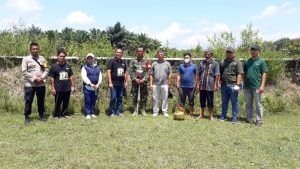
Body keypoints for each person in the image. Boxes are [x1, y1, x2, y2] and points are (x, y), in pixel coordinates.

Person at [21, 42, 47, 124]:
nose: (35, 50)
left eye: (37, 49)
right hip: (30, 84)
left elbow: (46, 70)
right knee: (28, 100)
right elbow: (24, 72)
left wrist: (41, 78)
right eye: (33, 49)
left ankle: (41, 115)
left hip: (41, 84)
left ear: (38, 49)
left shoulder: (42, 59)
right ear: (30, 49)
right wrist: (35, 78)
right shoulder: (26, 59)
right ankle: (27, 116)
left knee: (41, 100)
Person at [243, 45, 268, 127]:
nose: (253, 51)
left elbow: (264, 74)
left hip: (257, 86)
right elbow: (244, 73)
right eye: (251, 50)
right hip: (247, 86)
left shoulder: (261, 61)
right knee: (248, 104)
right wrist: (243, 82)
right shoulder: (247, 61)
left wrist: (262, 85)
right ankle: (249, 118)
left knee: (258, 104)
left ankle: (259, 121)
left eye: (254, 50)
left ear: (258, 51)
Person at [49, 48, 75, 119]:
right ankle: (56, 115)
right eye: (60, 56)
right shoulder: (54, 66)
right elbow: (51, 78)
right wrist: (52, 88)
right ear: (57, 56)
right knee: (57, 102)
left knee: (66, 102)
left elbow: (71, 76)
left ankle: (65, 114)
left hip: (67, 88)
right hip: (58, 88)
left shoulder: (68, 66)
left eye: (63, 56)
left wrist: (72, 86)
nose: (62, 58)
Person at [219, 47, 243, 124]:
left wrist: (238, 85)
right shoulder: (223, 62)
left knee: (234, 102)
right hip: (224, 85)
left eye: (230, 52)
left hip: (233, 86)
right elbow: (220, 73)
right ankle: (223, 116)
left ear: (233, 53)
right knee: (224, 102)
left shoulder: (237, 62)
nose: (229, 54)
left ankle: (234, 117)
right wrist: (219, 83)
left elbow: (239, 74)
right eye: (228, 52)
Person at [197, 49, 220, 121]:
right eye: (206, 54)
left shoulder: (215, 63)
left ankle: (211, 116)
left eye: (208, 54)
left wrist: (216, 84)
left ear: (211, 55)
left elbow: (217, 75)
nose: (207, 55)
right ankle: (201, 114)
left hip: (210, 85)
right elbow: (198, 74)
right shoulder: (201, 63)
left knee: (210, 101)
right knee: (202, 101)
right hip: (202, 85)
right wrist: (197, 84)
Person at [150, 50, 172, 117]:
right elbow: (151, 74)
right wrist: (151, 84)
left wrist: (169, 84)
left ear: (163, 55)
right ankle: (155, 111)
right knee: (155, 98)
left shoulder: (167, 64)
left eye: (161, 54)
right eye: (159, 54)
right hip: (155, 84)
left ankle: (164, 111)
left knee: (165, 98)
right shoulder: (154, 64)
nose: (160, 55)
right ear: (157, 55)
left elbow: (170, 74)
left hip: (165, 84)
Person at [107, 48, 128, 117]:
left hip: (121, 84)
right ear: (115, 53)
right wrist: (110, 82)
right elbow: (108, 72)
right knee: (113, 97)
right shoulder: (111, 61)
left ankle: (118, 112)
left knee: (120, 98)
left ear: (122, 54)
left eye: (120, 52)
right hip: (113, 83)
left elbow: (125, 73)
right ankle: (112, 112)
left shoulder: (124, 62)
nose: (118, 54)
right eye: (117, 52)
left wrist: (126, 82)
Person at [129, 47, 149, 116]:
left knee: (144, 96)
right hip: (135, 81)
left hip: (144, 81)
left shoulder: (147, 61)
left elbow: (148, 71)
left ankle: (143, 110)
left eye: (141, 51)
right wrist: (135, 79)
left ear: (143, 52)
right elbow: (130, 71)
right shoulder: (133, 61)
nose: (140, 52)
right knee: (134, 96)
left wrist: (144, 79)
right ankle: (135, 110)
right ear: (136, 52)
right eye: (138, 51)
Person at [81, 53, 102, 119]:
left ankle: (92, 112)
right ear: (87, 59)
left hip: (96, 87)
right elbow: (84, 77)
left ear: (93, 59)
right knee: (88, 100)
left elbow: (100, 76)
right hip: (87, 87)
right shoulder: (84, 67)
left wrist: (98, 84)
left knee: (93, 100)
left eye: (91, 58)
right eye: (88, 58)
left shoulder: (97, 67)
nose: (90, 59)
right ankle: (87, 113)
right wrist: (90, 84)